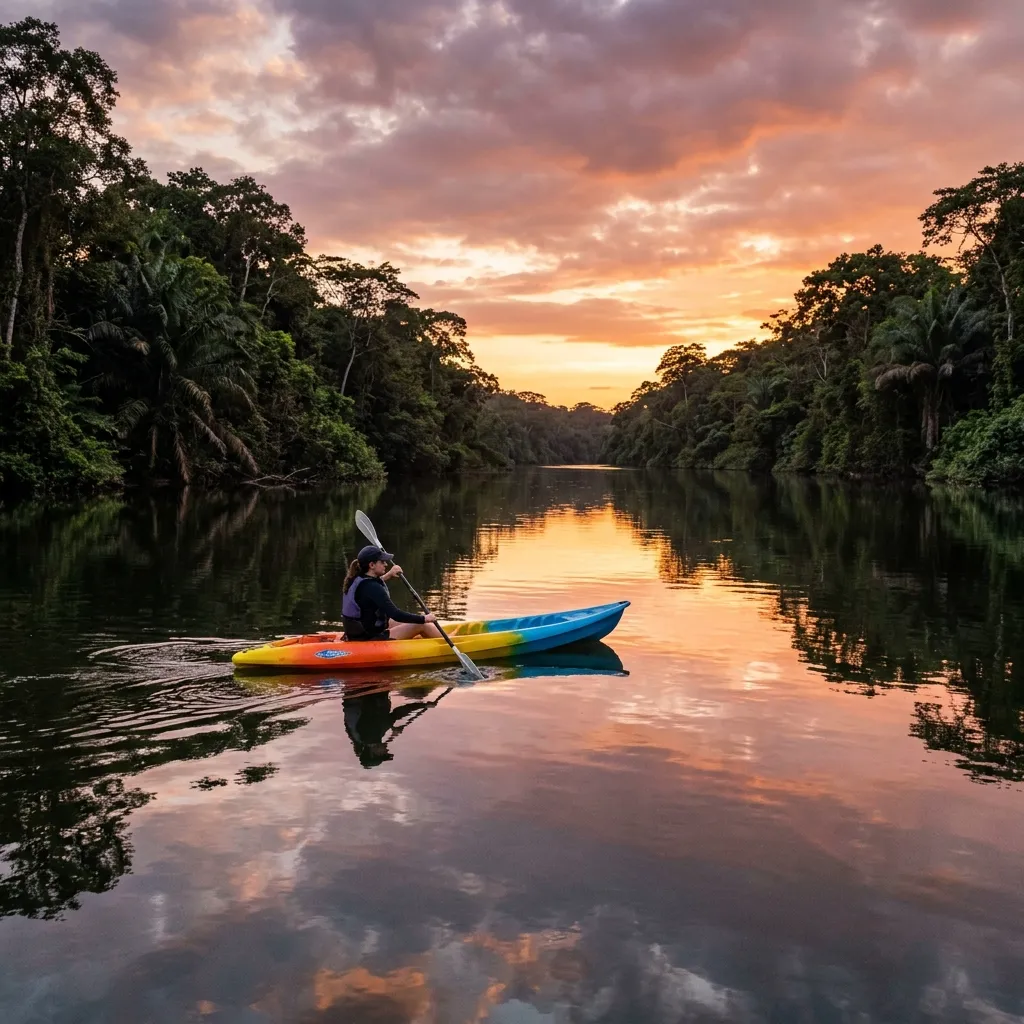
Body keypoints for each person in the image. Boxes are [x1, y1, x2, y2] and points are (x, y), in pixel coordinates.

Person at [341, 545, 443, 641]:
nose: (386, 564)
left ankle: (438, 634)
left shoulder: (358, 579)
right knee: (421, 625)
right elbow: (395, 613)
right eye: (382, 562)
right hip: (368, 638)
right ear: (371, 565)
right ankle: (449, 642)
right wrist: (424, 618)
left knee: (393, 622)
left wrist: (389, 574)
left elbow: (370, 589)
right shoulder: (372, 587)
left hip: (357, 632)